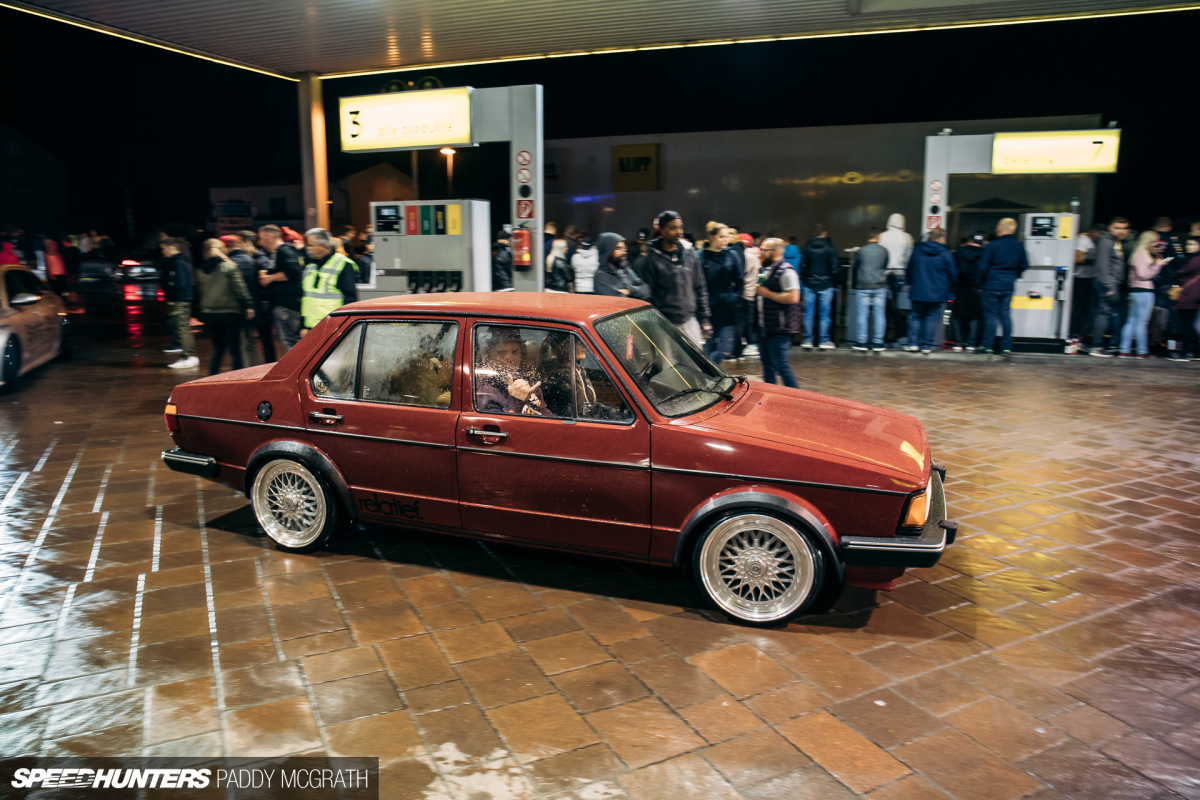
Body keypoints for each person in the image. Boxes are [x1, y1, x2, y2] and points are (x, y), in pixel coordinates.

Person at [634, 210, 711, 345]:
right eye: (673, 228)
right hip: (664, 324)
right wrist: (650, 324)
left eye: (680, 227)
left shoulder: (689, 253)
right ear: (662, 230)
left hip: (689, 321)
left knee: (696, 365)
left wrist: (705, 318)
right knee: (669, 365)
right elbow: (646, 294)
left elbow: (700, 286)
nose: (679, 232)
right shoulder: (651, 258)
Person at [195, 238, 254, 375]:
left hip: (209, 314)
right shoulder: (229, 267)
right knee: (235, 350)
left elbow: (199, 291)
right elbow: (240, 289)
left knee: (218, 349)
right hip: (230, 312)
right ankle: (237, 378)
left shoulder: (200, 270)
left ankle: (212, 377)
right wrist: (248, 305)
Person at [976, 217, 1028, 355]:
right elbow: (1024, 265)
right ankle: (1006, 346)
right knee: (1005, 315)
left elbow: (982, 266)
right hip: (1008, 285)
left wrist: (979, 283)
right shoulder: (1019, 246)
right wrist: (1013, 275)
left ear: (999, 229)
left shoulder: (992, 246)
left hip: (990, 284)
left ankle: (988, 346)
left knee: (990, 316)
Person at [756, 238, 800, 388]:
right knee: (767, 364)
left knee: (780, 364)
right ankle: (771, 394)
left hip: (780, 327)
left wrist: (768, 294)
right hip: (765, 326)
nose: (760, 253)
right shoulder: (765, 269)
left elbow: (793, 297)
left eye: (764, 250)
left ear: (775, 252)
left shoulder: (787, 271)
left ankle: (796, 397)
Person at [906, 228, 957, 354]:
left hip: (918, 290)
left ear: (929, 237)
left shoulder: (917, 250)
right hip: (937, 293)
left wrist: (911, 283)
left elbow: (909, 268)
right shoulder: (946, 253)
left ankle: (913, 344)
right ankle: (927, 346)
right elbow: (953, 273)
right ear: (941, 238)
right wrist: (949, 287)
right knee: (931, 318)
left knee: (916, 317)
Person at [1087, 217, 1132, 356]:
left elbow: (1092, 256)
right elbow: (1102, 265)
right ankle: (1096, 346)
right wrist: (1109, 286)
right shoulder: (1106, 242)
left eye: (1124, 228)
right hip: (1107, 283)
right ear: (1110, 228)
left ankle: (1097, 345)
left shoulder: (1113, 242)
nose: (1121, 231)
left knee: (1104, 314)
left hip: (1110, 282)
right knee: (1103, 314)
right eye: (1117, 228)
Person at [474, 327, 547, 416]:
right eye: (501, 352)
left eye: (515, 351)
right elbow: (503, 426)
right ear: (489, 356)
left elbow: (547, 416)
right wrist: (518, 399)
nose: (510, 358)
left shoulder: (529, 384)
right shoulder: (486, 391)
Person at [698, 222, 742, 366]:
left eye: (727, 236)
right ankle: (709, 377)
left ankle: (708, 373)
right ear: (711, 237)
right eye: (721, 236)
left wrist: (734, 298)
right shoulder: (701, 256)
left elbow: (740, 280)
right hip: (708, 309)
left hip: (727, 309)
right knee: (709, 347)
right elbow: (698, 283)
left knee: (725, 348)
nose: (725, 240)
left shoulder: (732, 255)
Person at [1118, 231, 1167, 358]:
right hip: (1143, 291)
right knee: (1141, 323)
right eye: (1154, 241)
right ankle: (1142, 351)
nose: (1156, 244)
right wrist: (1157, 266)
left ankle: (1124, 350)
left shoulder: (1138, 254)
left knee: (1131, 321)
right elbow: (1144, 275)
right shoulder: (1142, 254)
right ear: (1148, 241)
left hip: (1136, 291)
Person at [300, 228, 358, 332]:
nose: (307, 248)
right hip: (311, 326)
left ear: (322, 246)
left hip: (333, 326)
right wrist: (303, 325)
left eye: (310, 245)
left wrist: (345, 326)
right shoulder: (310, 265)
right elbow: (306, 297)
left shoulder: (342, 264)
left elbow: (349, 299)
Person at [257, 224, 303, 352]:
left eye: (261, 238)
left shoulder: (284, 250)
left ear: (269, 237)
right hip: (284, 305)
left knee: (291, 341)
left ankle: (299, 369)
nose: (260, 242)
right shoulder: (277, 252)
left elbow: (292, 271)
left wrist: (269, 278)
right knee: (291, 341)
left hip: (287, 305)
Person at [799, 224, 840, 349]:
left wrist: (806, 280)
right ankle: (824, 340)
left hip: (809, 284)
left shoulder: (807, 247)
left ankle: (807, 340)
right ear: (825, 233)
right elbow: (835, 267)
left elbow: (803, 266)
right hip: (826, 285)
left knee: (808, 314)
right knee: (824, 315)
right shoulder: (830, 248)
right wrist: (832, 281)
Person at [225, 233, 263, 367]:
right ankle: (256, 368)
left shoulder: (229, 264)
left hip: (238, 308)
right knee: (250, 342)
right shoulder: (250, 260)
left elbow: (237, 288)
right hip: (253, 306)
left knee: (241, 343)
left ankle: (247, 372)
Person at [161, 238, 198, 369]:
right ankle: (188, 356)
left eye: (164, 248)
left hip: (179, 301)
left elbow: (180, 284)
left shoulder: (178, 263)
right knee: (182, 328)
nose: (163, 251)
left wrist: (173, 299)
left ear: (171, 247)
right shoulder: (179, 262)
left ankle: (189, 356)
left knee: (182, 329)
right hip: (181, 300)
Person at [852, 226, 889, 352]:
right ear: (879, 236)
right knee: (880, 314)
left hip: (863, 285)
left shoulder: (861, 251)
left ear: (868, 236)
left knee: (862, 314)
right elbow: (885, 266)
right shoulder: (884, 251)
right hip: (879, 285)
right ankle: (878, 343)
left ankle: (861, 342)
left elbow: (856, 267)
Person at [879, 213, 914, 347]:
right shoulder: (907, 237)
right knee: (902, 308)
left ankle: (883, 336)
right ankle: (901, 335)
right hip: (901, 274)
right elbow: (909, 257)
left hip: (886, 274)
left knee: (884, 307)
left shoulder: (882, 236)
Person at [951, 231, 986, 351]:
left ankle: (957, 343)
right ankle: (971, 343)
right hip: (977, 287)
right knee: (975, 315)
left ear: (969, 240)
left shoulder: (959, 252)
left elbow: (953, 269)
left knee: (956, 315)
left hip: (960, 286)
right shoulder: (985, 253)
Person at [1071, 223, 1105, 340]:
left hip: (1089, 278)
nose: (1098, 236)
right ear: (1092, 231)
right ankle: (1074, 334)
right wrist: (1092, 260)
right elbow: (1076, 258)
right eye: (1097, 233)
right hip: (1080, 278)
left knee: (1087, 309)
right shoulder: (1083, 240)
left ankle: (1081, 335)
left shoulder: (1094, 241)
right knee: (1080, 308)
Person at [594, 233, 650, 300]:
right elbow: (619, 302)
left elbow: (646, 290)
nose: (624, 252)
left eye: (624, 248)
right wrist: (637, 294)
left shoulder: (627, 271)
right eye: (618, 248)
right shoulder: (601, 276)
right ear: (607, 251)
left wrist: (629, 290)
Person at [735, 233, 761, 359]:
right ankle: (751, 343)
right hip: (753, 291)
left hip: (746, 291)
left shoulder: (746, 256)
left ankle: (751, 343)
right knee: (750, 319)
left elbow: (741, 274)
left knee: (746, 320)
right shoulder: (756, 255)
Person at [1175, 238, 1200, 360]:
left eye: (1193, 244)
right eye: (1188, 244)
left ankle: (1186, 351)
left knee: (1185, 324)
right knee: (1190, 323)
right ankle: (1194, 351)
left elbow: (1180, 272)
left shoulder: (1195, 260)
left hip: (1189, 295)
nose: (1189, 246)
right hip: (1194, 295)